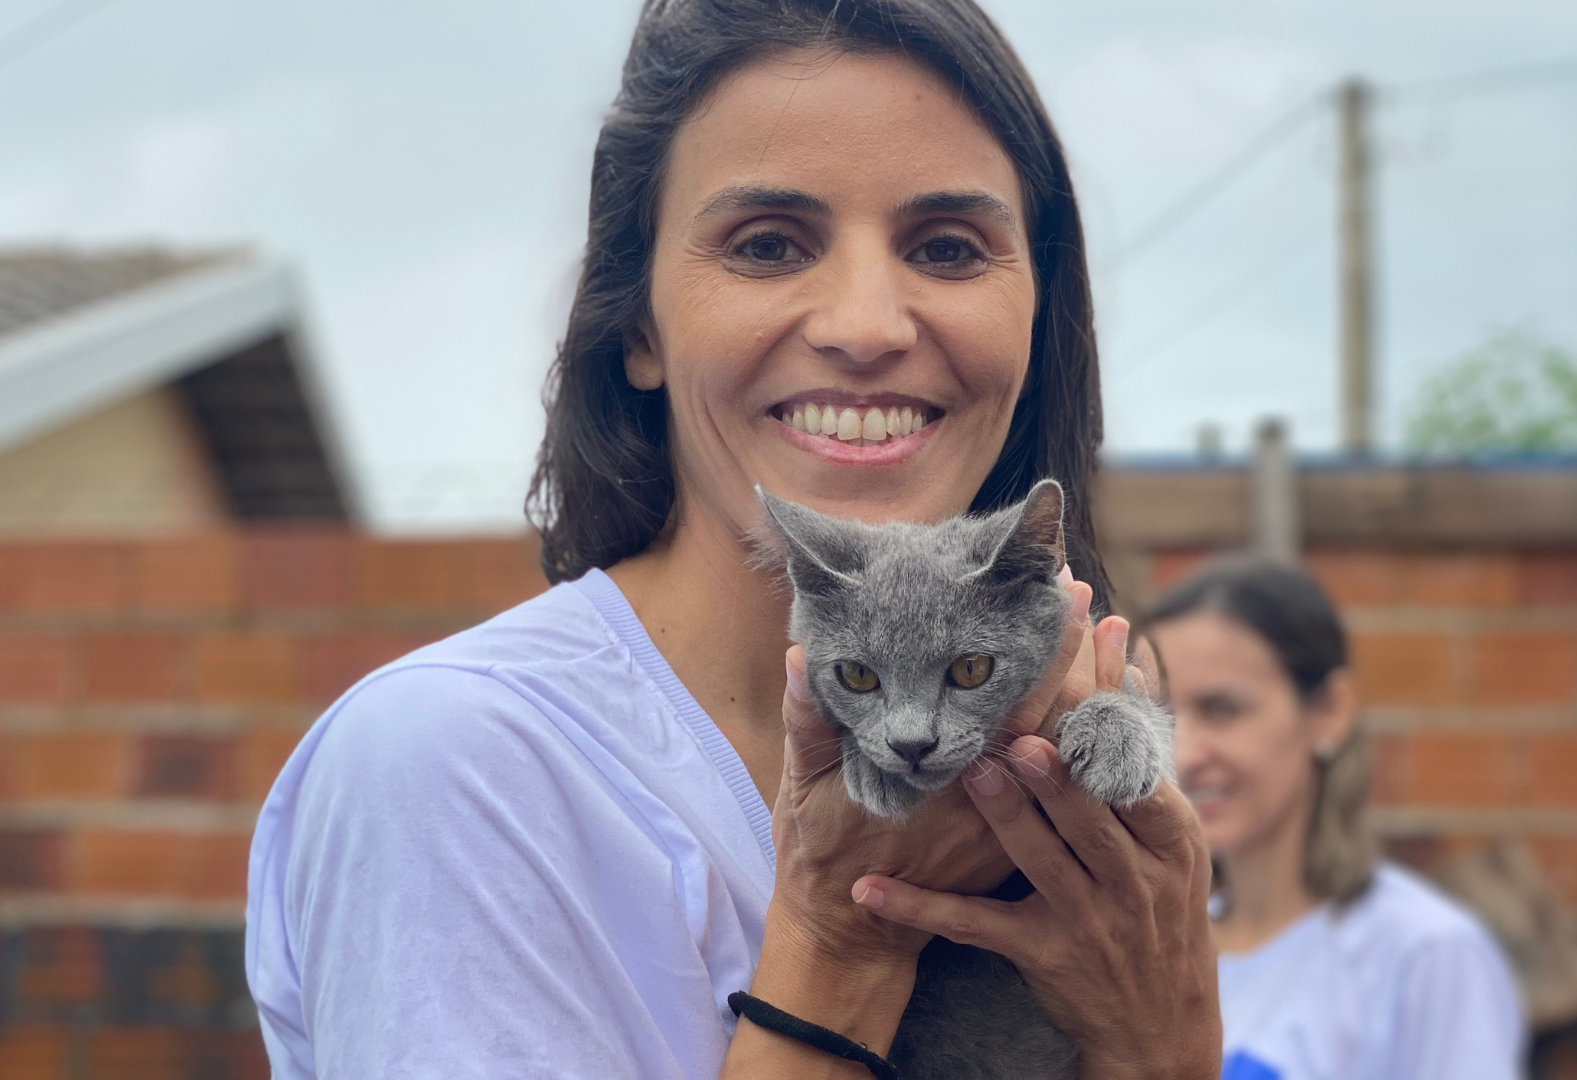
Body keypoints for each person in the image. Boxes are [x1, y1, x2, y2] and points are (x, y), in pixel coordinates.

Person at [244, 1, 1221, 1076]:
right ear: (638, 326)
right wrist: (840, 945)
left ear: (1038, 319)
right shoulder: (457, 767)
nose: (865, 325)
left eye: (946, 248)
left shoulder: (1070, 725)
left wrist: (1159, 1043)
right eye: (767, 245)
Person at [1142, 557, 1524, 1080]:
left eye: (1223, 709)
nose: (1183, 753)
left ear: (1329, 711)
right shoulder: (1157, 947)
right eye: (1163, 715)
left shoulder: (1426, 953)